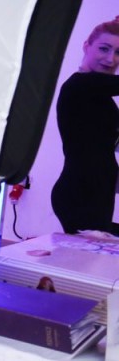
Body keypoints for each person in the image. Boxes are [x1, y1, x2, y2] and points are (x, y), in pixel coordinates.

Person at [51, 16, 119, 236]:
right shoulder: (78, 86)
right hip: (80, 194)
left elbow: (103, 146)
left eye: (118, 53)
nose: (111, 59)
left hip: (98, 191)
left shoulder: (102, 97)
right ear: (86, 46)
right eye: (104, 48)